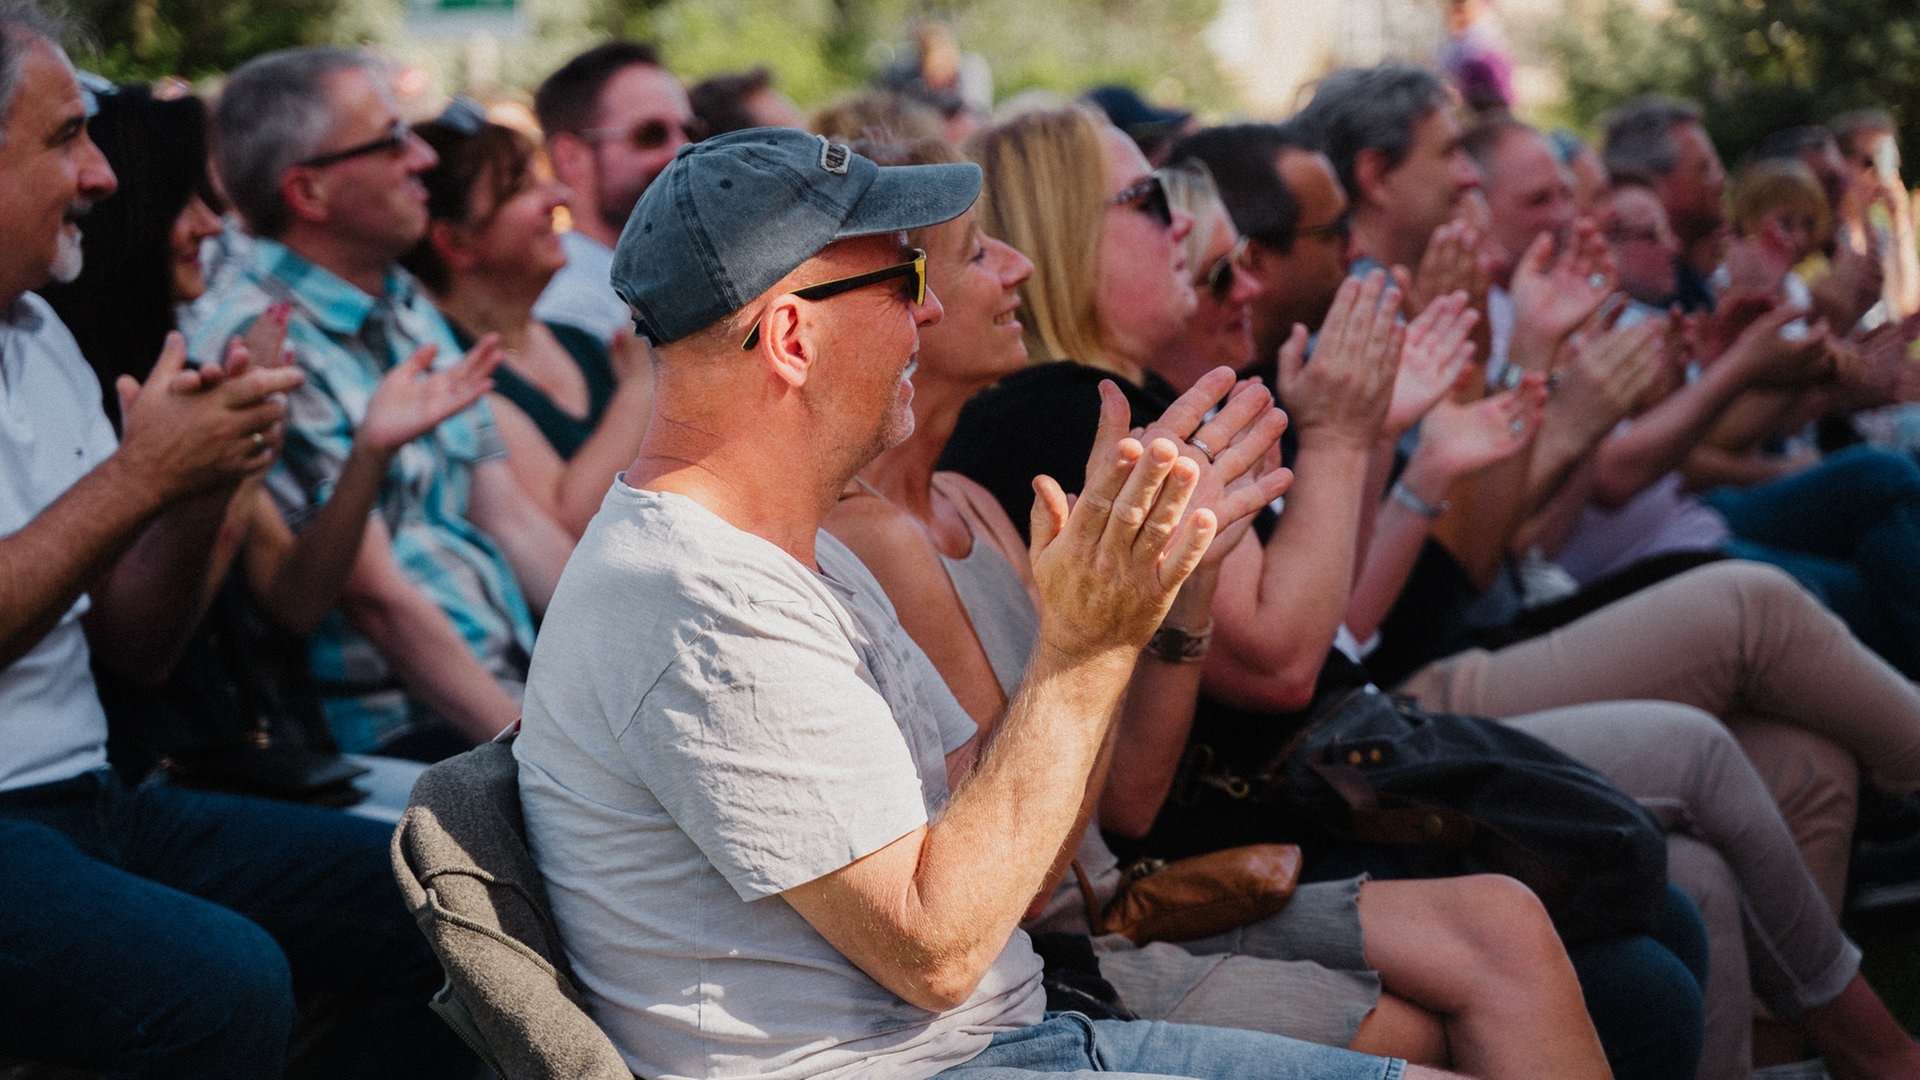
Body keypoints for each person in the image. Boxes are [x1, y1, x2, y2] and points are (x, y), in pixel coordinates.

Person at [514, 124, 1445, 1080]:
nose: (927, 313)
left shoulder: (773, 554)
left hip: (1008, 1040)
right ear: (793, 337)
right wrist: (1088, 641)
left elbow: (1007, 840)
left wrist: (1129, 604)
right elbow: (941, 950)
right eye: (905, 283)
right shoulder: (699, 602)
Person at [826, 133, 1607, 1079]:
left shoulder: (975, 506)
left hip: (1122, 902)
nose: (1019, 264)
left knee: (1507, 920)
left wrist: (1181, 585)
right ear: (911, 304)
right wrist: (1101, 630)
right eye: (980, 251)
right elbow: (1033, 877)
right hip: (1060, 964)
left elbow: (1129, 800)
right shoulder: (880, 536)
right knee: (1463, 1018)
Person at [0, 8, 469, 1074]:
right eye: (65, 137)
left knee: (450, 899)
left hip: (95, 797)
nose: (102, 175)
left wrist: (208, 479)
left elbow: (138, 647)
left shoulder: (37, 338)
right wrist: (143, 476)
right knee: (225, 979)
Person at [38, 84, 502, 791]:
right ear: (125, 221)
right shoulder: (113, 377)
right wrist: (175, 475)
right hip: (169, 772)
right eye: (183, 200)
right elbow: (147, 654)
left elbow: (293, 597)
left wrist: (367, 454)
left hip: (248, 761)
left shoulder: (189, 369)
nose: (212, 226)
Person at [188, 46, 576, 760]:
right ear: (309, 194)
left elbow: (510, 515)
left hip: (511, 689)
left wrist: (633, 653)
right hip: (398, 732)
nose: (424, 157)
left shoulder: (396, 295)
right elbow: (377, 605)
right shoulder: (259, 341)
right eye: (393, 141)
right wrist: (545, 757)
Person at [405, 99, 653, 537]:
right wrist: (640, 385)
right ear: (455, 242)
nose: (560, 197)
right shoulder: (454, 376)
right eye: (521, 188)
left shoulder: (580, 342)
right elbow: (567, 524)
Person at [533, 41, 702, 341]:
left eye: (690, 131)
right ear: (570, 156)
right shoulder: (564, 309)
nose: (682, 149)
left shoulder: (676, 278)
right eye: (651, 134)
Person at [1603, 95, 1728, 312]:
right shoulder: (1641, 294)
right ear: (1653, 180)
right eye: (1704, 169)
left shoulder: (1699, 276)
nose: (1721, 181)